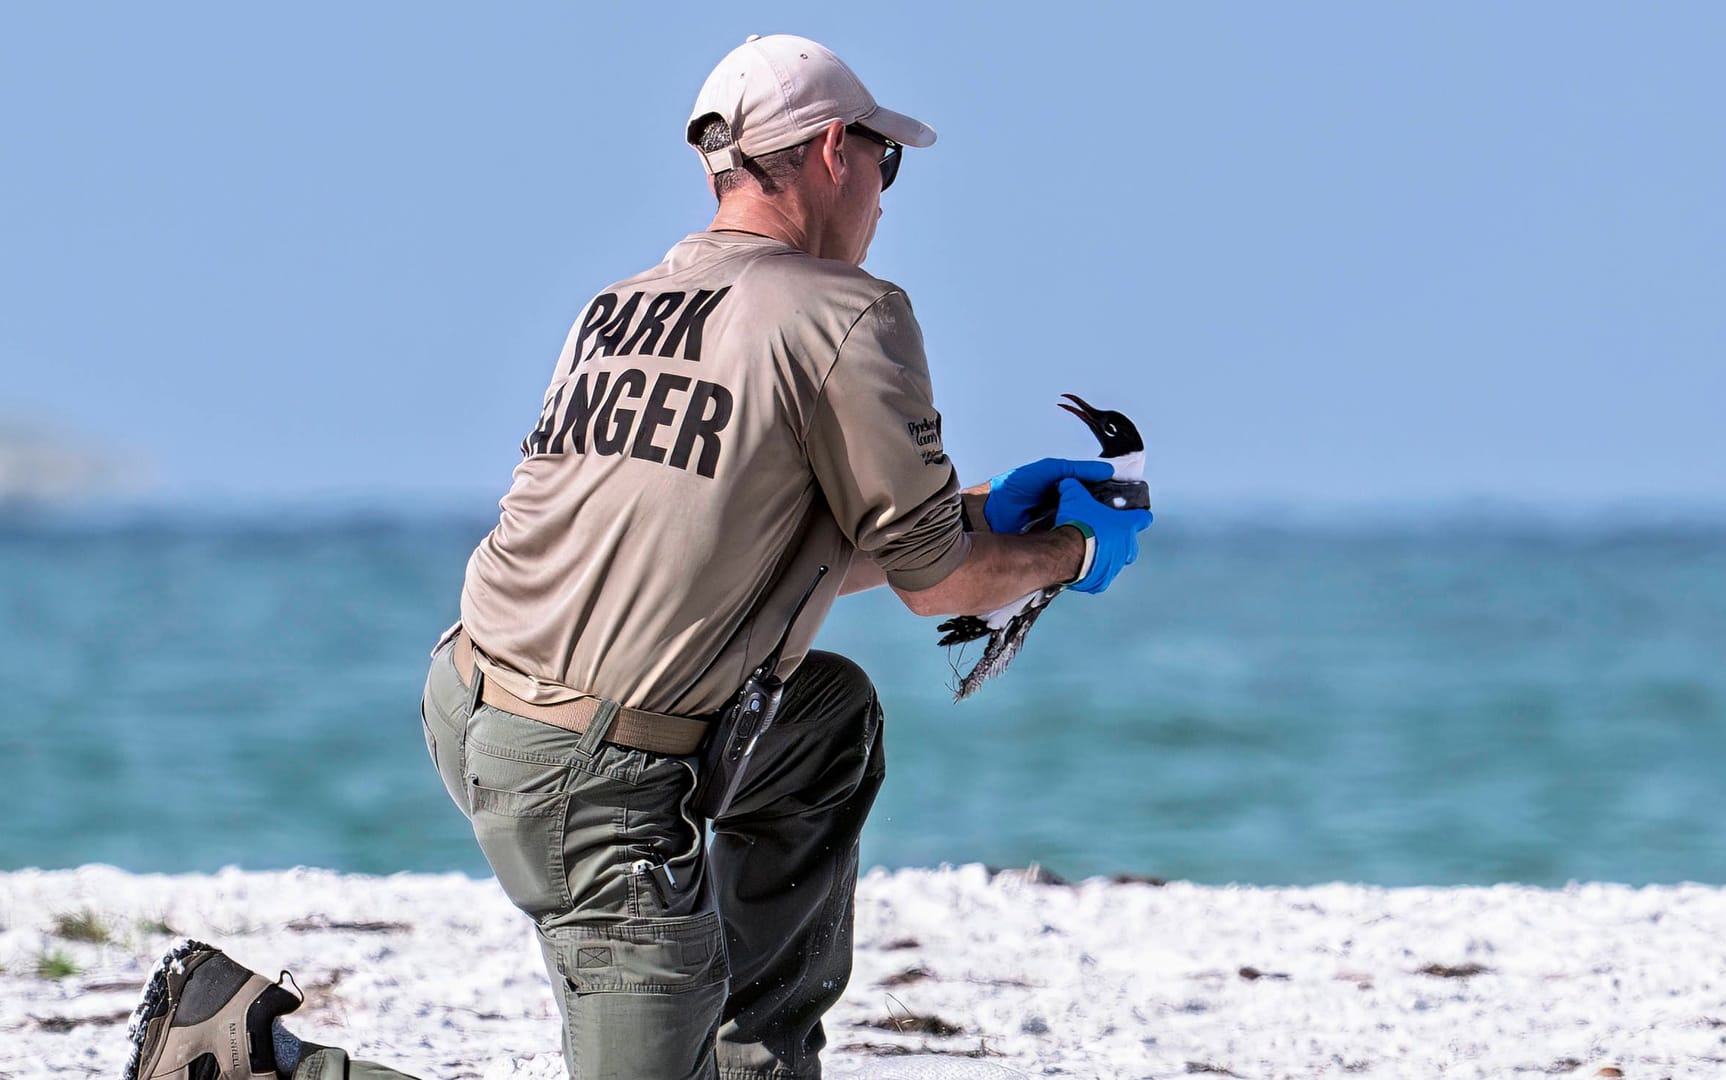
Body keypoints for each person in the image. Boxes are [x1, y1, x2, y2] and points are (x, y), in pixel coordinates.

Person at [125, 33, 1153, 1080]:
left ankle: (756, 1060)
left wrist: (975, 509)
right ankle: (251, 1060)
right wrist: (1071, 553)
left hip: (469, 700)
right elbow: (941, 587)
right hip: (589, 777)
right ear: (837, 150)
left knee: (825, 723)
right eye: (888, 164)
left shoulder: (618, 306)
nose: (887, 198)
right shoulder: (852, 312)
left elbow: (726, 550)